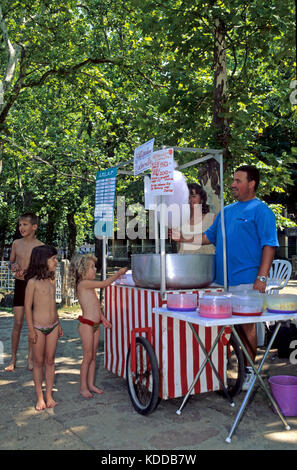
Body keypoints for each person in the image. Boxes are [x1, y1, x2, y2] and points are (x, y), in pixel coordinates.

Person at [202, 165, 279, 390]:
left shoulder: (261, 210)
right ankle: (218, 372)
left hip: (248, 280)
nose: (233, 185)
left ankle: (247, 371)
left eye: (238, 180)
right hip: (221, 281)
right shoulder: (227, 211)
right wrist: (182, 237)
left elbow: (269, 245)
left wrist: (262, 278)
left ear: (251, 183)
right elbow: (209, 237)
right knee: (219, 329)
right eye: (233, 180)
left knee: (247, 327)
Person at [69, 254, 128, 398]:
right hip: (87, 325)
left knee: (93, 357)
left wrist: (103, 319)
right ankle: (83, 387)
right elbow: (104, 284)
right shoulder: (83, 284)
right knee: (87, 356)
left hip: (95, 325)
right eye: (92, 267)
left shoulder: (90, 286)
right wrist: (118, 274)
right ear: (82, 270)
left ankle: (91, 384)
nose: (95, 270)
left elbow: (95, 305)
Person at [24, 245, 63, 411]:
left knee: (50, 361)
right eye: (53, 259)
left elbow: (53, 305)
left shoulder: (52, 279)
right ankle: (40, 397)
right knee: (38, 362)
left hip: (53, 326)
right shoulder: (32, 283)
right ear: (42, 260)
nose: (56, 261)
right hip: (38, 328)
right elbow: (27, 308)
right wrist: (31, 330)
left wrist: (59, 323)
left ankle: (49, 395)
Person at [5, 212, 44, 372]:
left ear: (34, 226)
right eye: (20, 225)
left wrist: (28, 272)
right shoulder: (16, 243)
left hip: (33, 287)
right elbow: (11, 262)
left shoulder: (41, 246)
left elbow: (42, 270)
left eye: (25, 224)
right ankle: (13, 359)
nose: (21, 227)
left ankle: (30, 358)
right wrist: (13, 267)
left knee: (31, 325)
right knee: (18, 323)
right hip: (20, 286)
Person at [171, 183, 216, 253]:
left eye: (193, 196)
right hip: (185, 262)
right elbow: (180, 247)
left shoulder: (213, 218)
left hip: (207, 262)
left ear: (202, 199)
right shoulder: (180, 221)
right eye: (187, 197)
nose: (190, 200)